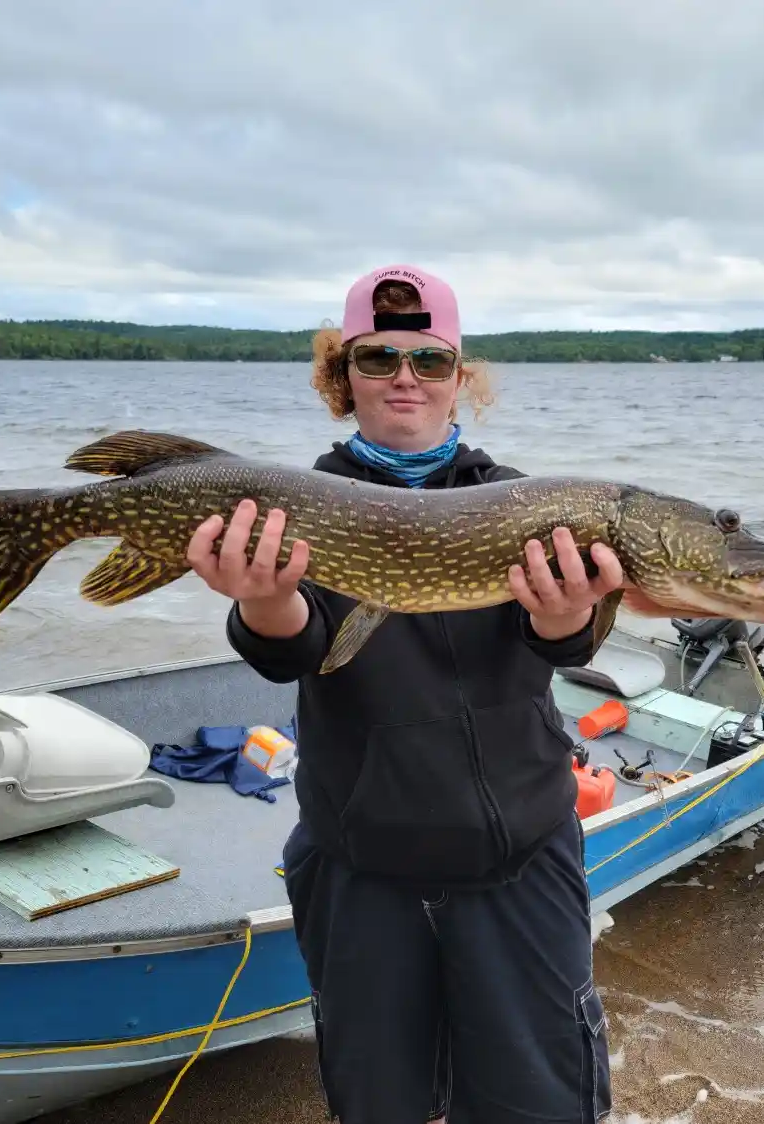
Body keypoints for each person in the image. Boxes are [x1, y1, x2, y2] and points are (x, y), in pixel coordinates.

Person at [186, 264, 619, 1123]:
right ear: (342, 379)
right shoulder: (295, 503)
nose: (405, 378)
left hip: (519, 862)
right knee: (380, 1102)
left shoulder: (529, 503)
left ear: (461, 376)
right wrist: (264, 596)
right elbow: (295, 649)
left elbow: (561, 642)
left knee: (538, 1104)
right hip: (362, 869)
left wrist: (573, 615)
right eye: (377, 359)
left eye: (428, 359)